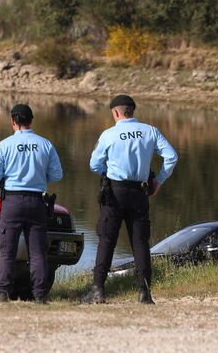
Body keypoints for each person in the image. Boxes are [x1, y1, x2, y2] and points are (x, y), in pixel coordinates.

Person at [83, 94, 179, 305]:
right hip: (140, 193)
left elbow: (94, 164)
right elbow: (172, 156)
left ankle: (98, 290)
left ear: (116, 113)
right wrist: (159, 181)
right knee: (140, 243)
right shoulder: (150, 131)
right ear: (132, 111)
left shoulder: (109, 134)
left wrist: (107, 173)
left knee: (107, 241)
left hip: (115, 193)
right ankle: (145, 294)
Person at [0, 103, 63, 303]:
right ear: (31, 121)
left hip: (12, 201)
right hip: (37, 201)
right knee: (38, 252)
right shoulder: (45, 144)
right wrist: (39, 175)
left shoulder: (4, 145)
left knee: (7, 250)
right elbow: (57, 174)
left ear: (13, 122)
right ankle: (40, 295)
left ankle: (3, 292)